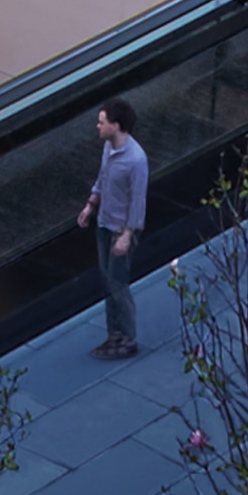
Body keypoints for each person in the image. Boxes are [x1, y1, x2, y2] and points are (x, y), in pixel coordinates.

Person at [76, 98, 147, 359]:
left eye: (102, 122)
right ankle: (114, 334)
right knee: (107, 281)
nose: (98, 126)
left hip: (120, 230)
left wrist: (127, 235)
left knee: (118, 283)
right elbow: (102, 178)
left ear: (116, 126)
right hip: (105, 223)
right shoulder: (109, 148)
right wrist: (90, 205)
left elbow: (138, 201)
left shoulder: (136, 160)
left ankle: (128, 338)